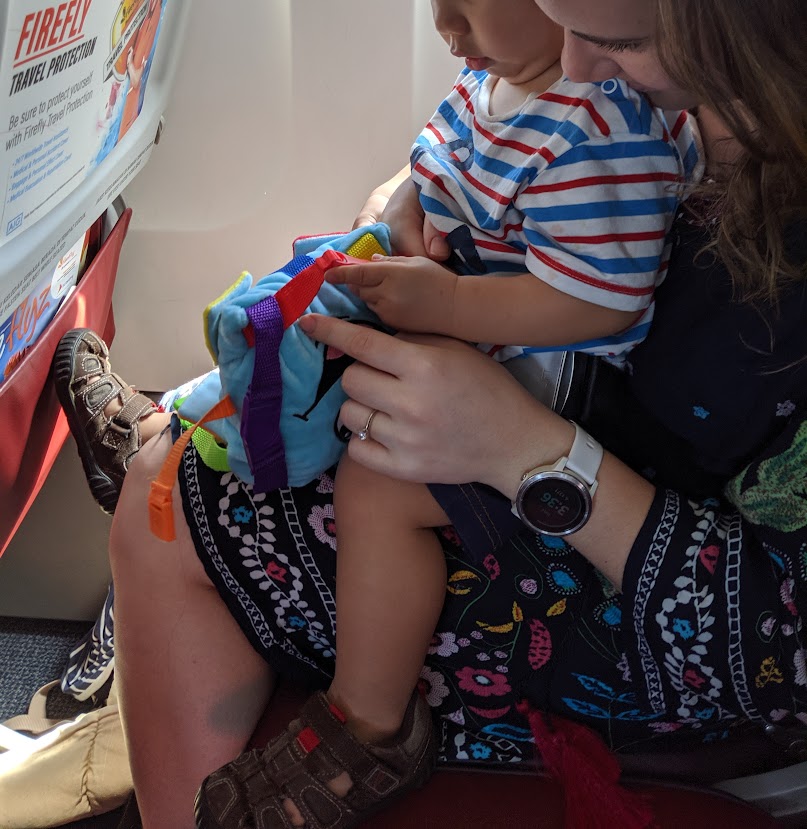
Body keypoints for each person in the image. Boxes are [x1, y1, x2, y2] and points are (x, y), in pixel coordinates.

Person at [52, 0, 807, 827]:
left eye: (623, 40)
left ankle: (363, 732)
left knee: (168, 513)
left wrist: (520, 449)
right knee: (226, 415)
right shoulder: (676, 96)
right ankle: (199, 427)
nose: (579, 65)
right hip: (588, 454)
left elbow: (780, 644)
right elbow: (518, 127)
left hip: (670, 631)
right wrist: (410, 193)